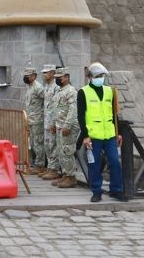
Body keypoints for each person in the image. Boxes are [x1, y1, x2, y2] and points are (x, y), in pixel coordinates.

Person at [78, 62, 128, 203]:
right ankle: (96, 191)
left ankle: (116, 190)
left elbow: (114, 113)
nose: (101, 78)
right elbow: (81, 116)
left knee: (114, 162)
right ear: (90, 77)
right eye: (98, 76)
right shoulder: (83, 92)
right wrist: (85, 136)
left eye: (102, 76)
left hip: (110, 134)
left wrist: (118, 133)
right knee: (94, 164)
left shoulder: (109, 91)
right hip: (94, 136)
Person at [53, 68, 79, 188]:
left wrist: (67, 125)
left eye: (61, 77)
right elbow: (56, 109)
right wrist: (54, 123)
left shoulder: (71, 91)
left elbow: (73, 110)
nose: (58, 79)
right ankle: (65, 174)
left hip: (68, 126)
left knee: (67, 151)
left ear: (67, 77)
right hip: (60, 125)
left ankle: (71, 177)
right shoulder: (59, 91)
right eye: (57, 77)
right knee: (60, 151)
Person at [39, 64, 62, 181]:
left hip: (53, 121)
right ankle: (50, 167)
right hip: (46, 121)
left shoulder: (56, 87)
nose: (44, 75)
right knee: (47, 144)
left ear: (53, 73)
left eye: (46, 73)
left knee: (53, 144)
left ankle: (54, 169)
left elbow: (57, 107)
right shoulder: (47, 86)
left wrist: (54, 122)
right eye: (43, 73)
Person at [23, 67, 46, 174]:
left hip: (37, 120)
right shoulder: (29, 87)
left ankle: (40, 165)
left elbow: (46, 101)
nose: (26, 77)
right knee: (32, 143)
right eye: (25, 75)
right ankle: (35, 164)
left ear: (33, 76)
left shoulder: (38, 88)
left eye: (28, 75)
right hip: (30, 120)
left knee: (38, 143)